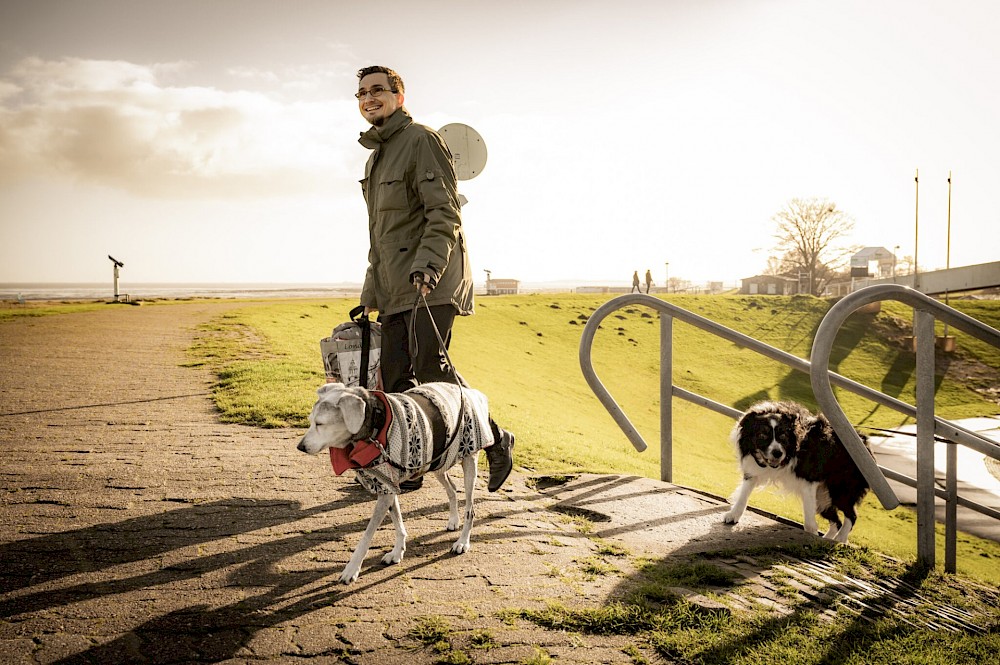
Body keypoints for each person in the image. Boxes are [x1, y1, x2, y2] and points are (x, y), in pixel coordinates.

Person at [355, 65, 514, 492]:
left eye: (378, 91)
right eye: (362, 93)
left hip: (431, 280)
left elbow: (443, 213)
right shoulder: (378, 156)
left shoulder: (421, 140)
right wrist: (372, 292)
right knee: (394, 376)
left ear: (398, 97)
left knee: (432, 371)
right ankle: (409, 463)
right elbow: (382, 236)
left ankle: (497, 440)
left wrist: (429, 267)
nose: (369, 98)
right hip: (394, 288)